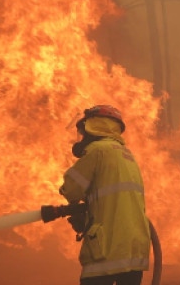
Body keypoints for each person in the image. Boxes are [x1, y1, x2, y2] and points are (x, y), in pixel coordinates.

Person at [60, 104, 151, 285]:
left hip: (106, 250)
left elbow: (70, 190)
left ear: (94, 126)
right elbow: (113, 202)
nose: (81, 137)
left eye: (83, 131)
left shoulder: (97, 151)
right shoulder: (128, 156)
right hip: (135, 250)